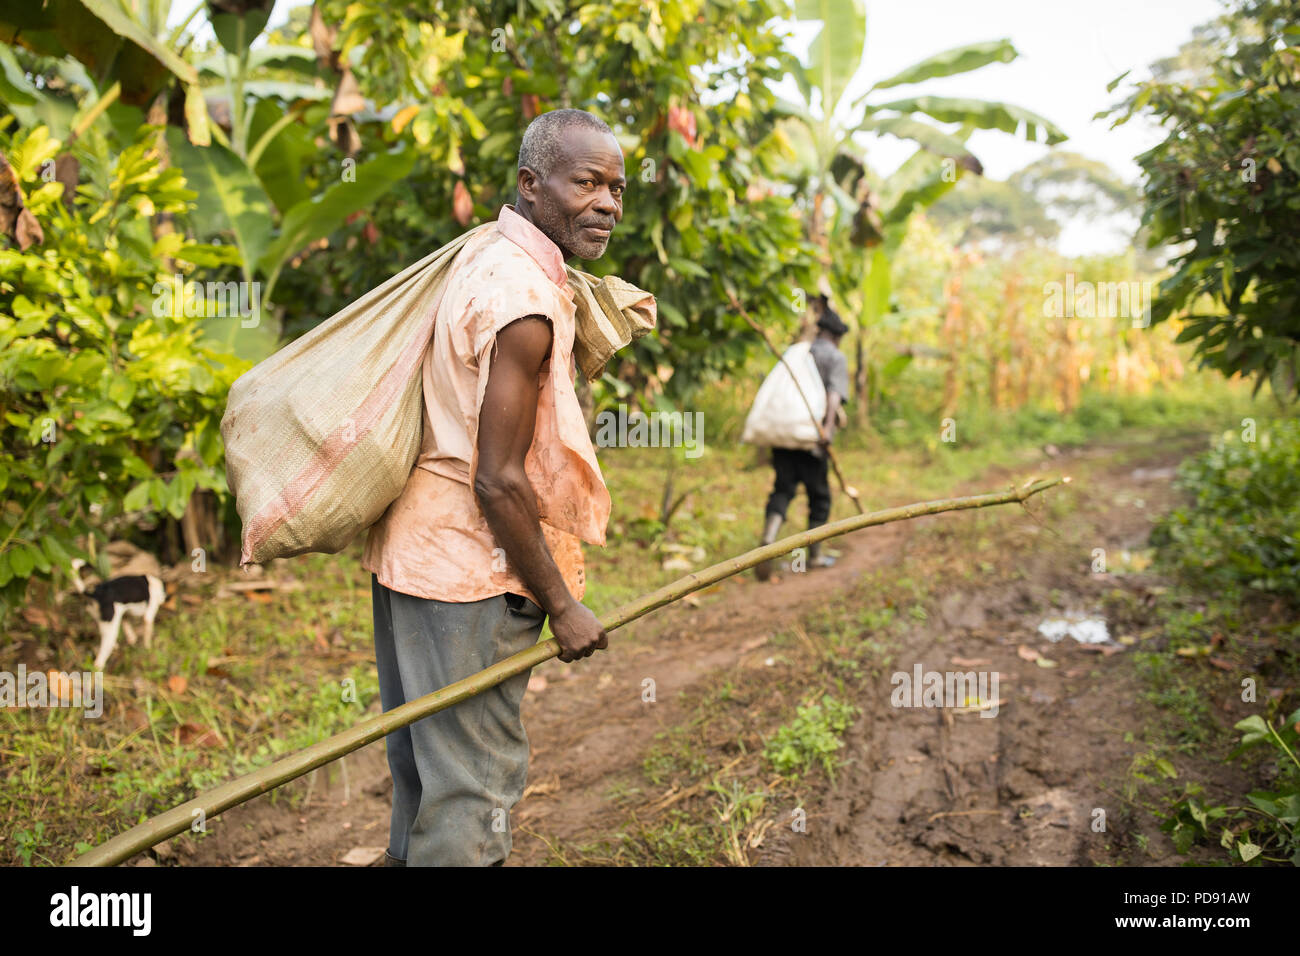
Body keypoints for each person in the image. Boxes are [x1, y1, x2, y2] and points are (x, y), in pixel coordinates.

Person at [361, 109, 629, 866]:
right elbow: (498, 480)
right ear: (531, 184)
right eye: (587, 182)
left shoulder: (479, 255)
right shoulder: (524, 304)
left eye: (616, 187)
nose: (608, 202)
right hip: (469, 577)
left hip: (413, 557)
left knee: (424, 776)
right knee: (473, 794)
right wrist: (563, 606)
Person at [754, 294, 850, 581]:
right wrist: (828, 428)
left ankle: (769, 538)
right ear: (835, 336)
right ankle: (816, 555)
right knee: (818, 495)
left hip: (784, 434)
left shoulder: (798, 352)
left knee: (783, 488)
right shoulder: (834, 356)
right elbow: (833, 396)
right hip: (812, 438)